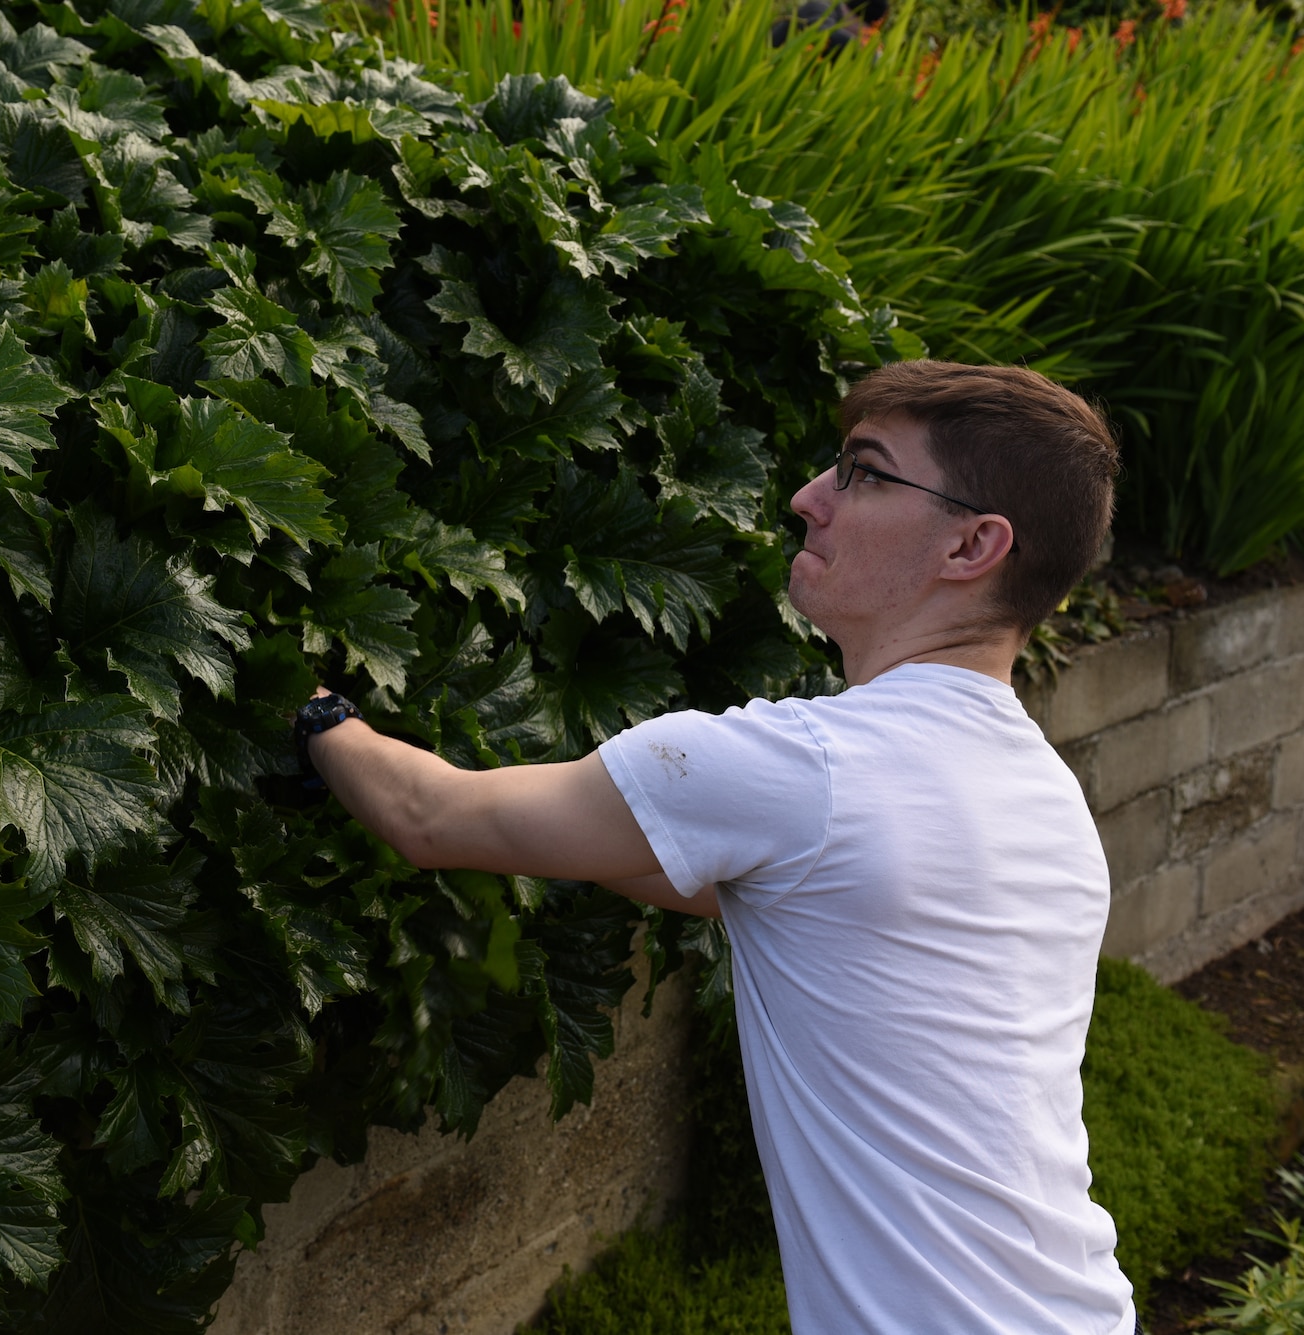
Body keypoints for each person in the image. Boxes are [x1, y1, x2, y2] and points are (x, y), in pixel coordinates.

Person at [294, 360, 1137, 1334]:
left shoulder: (799, 767)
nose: (807, 497)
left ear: (972, 543)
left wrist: (304, 703)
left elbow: (428, 817)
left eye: (864, 473)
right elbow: (761, 896)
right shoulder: (1043, 799)